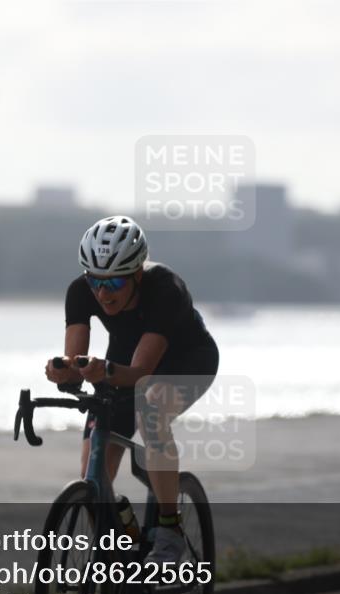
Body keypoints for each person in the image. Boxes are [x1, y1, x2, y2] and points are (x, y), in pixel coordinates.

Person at [45, 215, 219, 565]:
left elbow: (141, 373)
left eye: (115, 282)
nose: (102, 293)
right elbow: (76, 360)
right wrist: (65, 371)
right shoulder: (80, 291)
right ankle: (117, 550)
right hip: (124, 359)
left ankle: (170, 530)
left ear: (138, 273)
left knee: (152, 410)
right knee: (93, 474)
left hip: (186, 360)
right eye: (95, 280)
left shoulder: (165, 288)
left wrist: (99, 370)